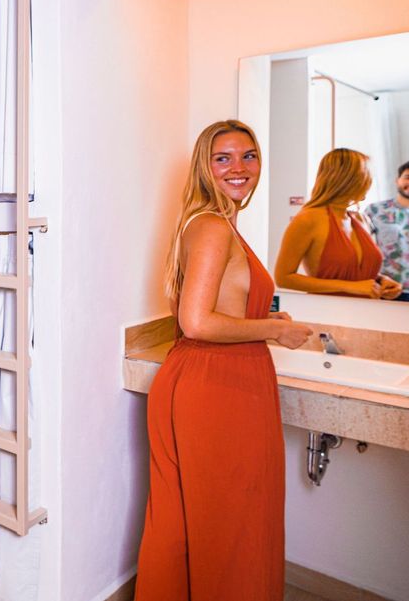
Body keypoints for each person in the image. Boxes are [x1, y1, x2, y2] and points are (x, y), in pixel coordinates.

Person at [135, 120, 312, 601]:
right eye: (223, 158)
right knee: (232, 526)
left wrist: (267, 319)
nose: (239, 168)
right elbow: (196, 321)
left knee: (193, 524)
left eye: (248, 156)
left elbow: (215, 309)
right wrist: (276, 328)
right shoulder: (212, 226)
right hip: (218, 385)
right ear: (204, 167)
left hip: (209, 379)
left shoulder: (212, 222)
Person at [274, 148, 401, 299]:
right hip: (329, 312)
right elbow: (284, 278)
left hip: (369, 312)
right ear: (349, 179)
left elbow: (354, 272)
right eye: (367, 176)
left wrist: (381, 281)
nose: (370, 182)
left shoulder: (361, 219)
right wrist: (351, 287)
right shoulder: (308, 219)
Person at [365, 159, 409, 303]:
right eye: (408, 177)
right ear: (397, 180)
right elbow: (361, 249)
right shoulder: (375, 210)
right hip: (385, 290)